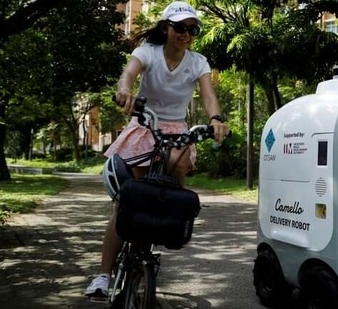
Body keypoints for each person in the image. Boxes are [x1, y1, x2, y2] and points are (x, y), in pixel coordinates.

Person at [85, 1, 229, 298]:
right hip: (144, 123)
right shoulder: (148, 52)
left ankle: (165, 229)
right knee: (127, 201)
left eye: (192, 29)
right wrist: (125, 89)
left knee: (175, 174)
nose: (186, 34)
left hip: (175, 129)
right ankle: (102, 275)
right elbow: (129, 75)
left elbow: (208, 96)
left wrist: (215, 118)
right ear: (166, 28)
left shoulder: (198, 61)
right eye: (180, 27)